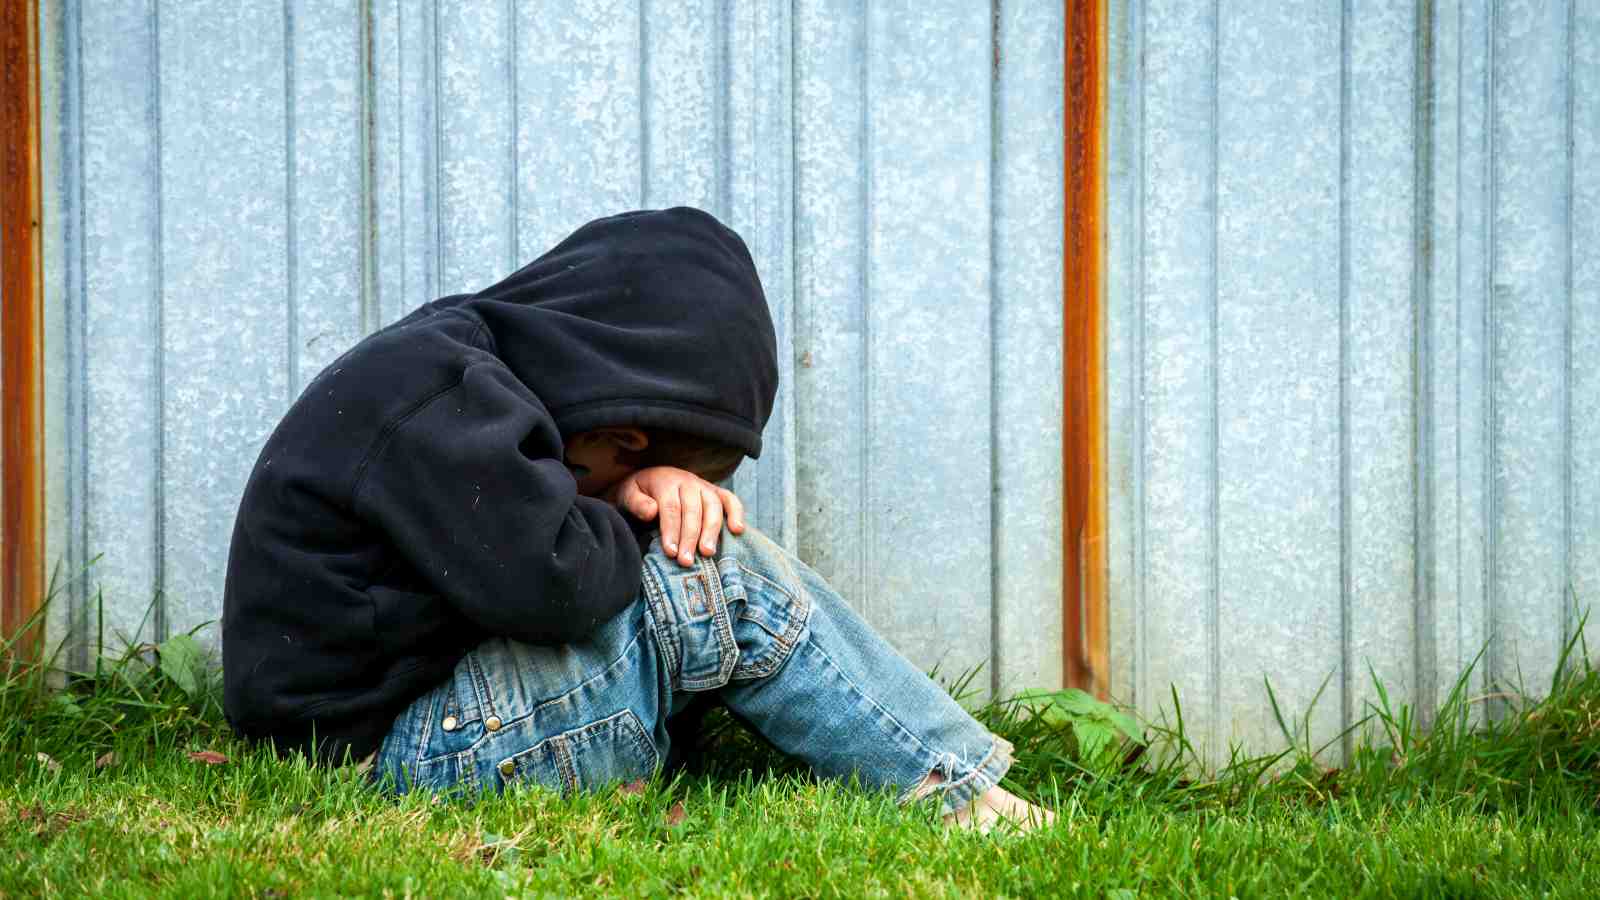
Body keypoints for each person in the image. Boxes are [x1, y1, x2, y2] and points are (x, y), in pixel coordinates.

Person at [222, 207, 1051, 831]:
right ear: (618, 434)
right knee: (720, 579)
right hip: (394, 759)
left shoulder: (455, 372)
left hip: (386, 724)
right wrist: (637, 510)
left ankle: (938, 765)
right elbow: (552, 589)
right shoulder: (438, 397)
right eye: (649, 470)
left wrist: (623, 491)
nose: (653, 495)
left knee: (681, 567)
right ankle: (962, 795)